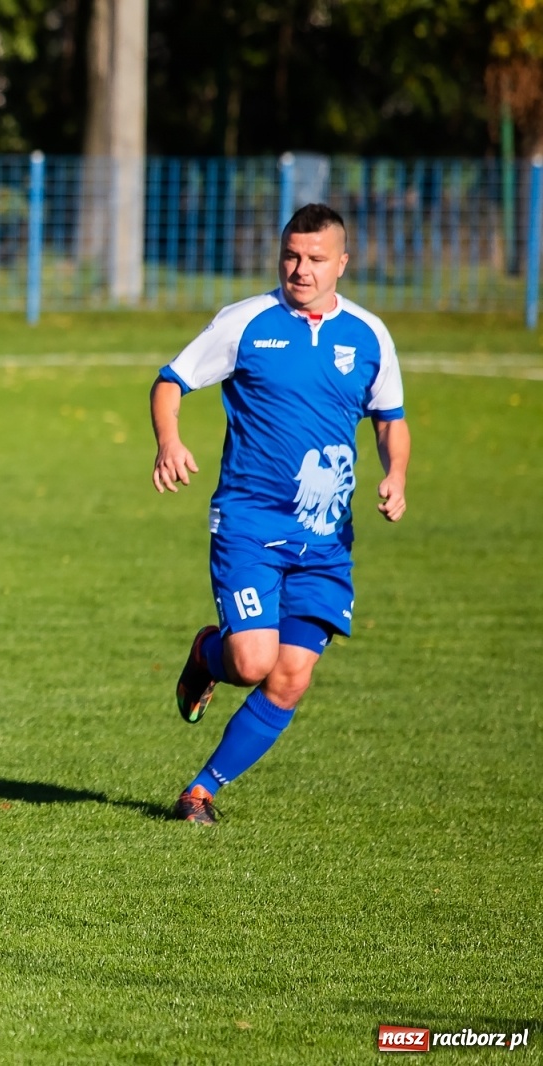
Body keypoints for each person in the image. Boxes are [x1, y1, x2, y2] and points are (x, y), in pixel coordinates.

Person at [151, 203, 411, 826]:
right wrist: (169, 440)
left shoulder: (369, 335)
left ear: (342, 263)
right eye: (291, 256)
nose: (301, 269)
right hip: (250, 524)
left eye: (316, 259)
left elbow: (390, 421)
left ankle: (200, 792)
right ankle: (207, 654)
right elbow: (170, 381)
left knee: (291, 677)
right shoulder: (246, 322)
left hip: (325, 538)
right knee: (251, 662)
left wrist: (396, 474)